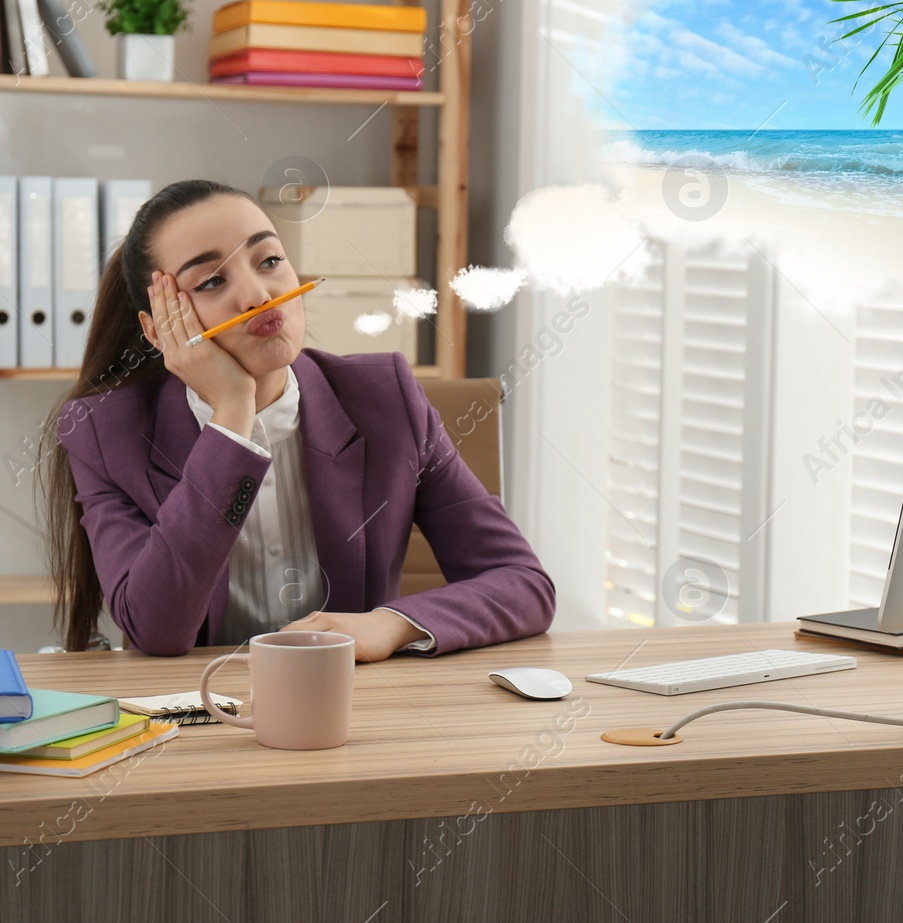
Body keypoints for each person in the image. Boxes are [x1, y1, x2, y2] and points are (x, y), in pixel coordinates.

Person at [38, 179, 555, 659]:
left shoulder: (387, 398)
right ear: (158, 330)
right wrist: (232, 416)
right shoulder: (103, 432)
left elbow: (522, 582)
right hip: (198, 721)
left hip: (352, 710)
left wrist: (392, 623)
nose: (258, 296)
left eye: (268, 261)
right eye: (213, 280)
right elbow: (157, 629)